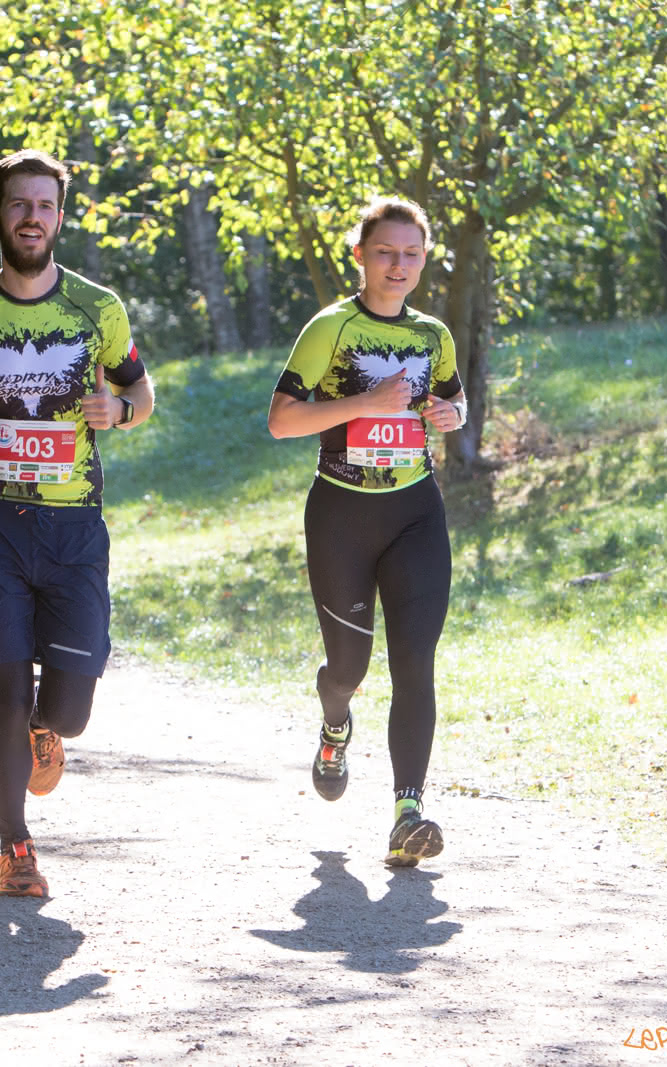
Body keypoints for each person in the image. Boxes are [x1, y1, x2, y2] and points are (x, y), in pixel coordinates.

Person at [0, 150, 154, 898]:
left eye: (45, 205)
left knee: (68, 709)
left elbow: (144, 394)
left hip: (75, 525)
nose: (32, 217)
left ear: (60, 215)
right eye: (19, 205)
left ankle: (47, 728)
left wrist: (123, 410)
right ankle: (15, 845)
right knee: (3, 697)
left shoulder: (97, 309)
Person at [266, 194, 468, 868]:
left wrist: (449, 416)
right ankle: (333, 725)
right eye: (386, 251)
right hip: (342, 516)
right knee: (348, 668)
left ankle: (408, 811)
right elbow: (282, 420)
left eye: (412, 253)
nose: (399, 265)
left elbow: (454, 398)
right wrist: (366, 402)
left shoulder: (434, 334)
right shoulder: (331, 328)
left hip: (415, 513)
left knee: (415, 663)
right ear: (360, 255)